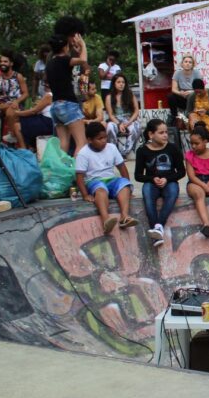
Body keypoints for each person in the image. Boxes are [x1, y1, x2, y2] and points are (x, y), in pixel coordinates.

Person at [75, 121, 139, 235]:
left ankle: (124, 217)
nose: (104, 141)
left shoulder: (112, 148)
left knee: (124, 185)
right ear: (90, 140)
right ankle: (106, 220)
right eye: (100, 139)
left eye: (105, 137)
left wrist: (129, 188)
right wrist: (85, 195)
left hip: (111, 180)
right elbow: (79, 177)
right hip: (94, 182)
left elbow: (122, 168)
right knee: (101, 190)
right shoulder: (83, 153)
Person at [134, 119, 185, 248]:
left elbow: (181, 172)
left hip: (170, 182)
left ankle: (158, 227)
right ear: (151, 135)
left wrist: (167, 179)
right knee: (147, 192)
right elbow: (138, 176)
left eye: (166, 132)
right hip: (152, 183)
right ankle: (156, 228)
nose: (165, 135)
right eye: (161, 132)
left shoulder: (173, 148)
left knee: (173, 192)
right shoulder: (142, 151)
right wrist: (152, 179)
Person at [45, 17, 89, 154]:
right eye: (73, 35)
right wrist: (83, 46)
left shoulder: (53, 59)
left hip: (59, 103)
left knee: (64, 143)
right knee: (81, 143)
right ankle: (78, 172)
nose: (76, 38)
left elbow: (85, 70)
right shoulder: (65, 58)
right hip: (70, 103)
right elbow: (83, 61)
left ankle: (61, 172)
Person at [184, 124, 209, 238]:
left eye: (197, 143)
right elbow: (191, 176)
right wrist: (203, 185)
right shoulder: (189, 155)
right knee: (199, 194)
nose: (193, 146)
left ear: (205, 141)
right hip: (196, 181)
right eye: (191, 143)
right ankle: (206, 223)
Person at [0, 50, 29, 146]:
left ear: (11, 63)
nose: (2, 63)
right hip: (2, 104)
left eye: (5, 61)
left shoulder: (18, 76)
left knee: (10, 113)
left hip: (14, 104)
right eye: (1, 61)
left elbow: (26, 93)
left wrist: (17, 101)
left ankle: (12, 135)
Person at [10, 81, 54, 153]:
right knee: (25, 119)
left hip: (47, 123)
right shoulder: (56, 94)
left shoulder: (49, 95)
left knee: (17, 125)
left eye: (45, 85)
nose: (44, 86)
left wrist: (18, 113)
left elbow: (34, 111)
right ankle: (30, 145)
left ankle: (23, 149)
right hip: (48, 121)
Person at [104, 74, 141, 157]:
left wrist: (128, 122)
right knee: (110, 127)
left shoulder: (130, 95)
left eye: (123, 82)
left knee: (136, 127)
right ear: (114, 84)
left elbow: (136, 111)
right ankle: (115, 152)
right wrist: (119, 124)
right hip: (115, 120)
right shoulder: (109, 97)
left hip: (129, 119)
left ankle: (124, 152)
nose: (121, 84)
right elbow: (110, 115)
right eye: (118, 82)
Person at [169, 54, 202, 126]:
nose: (188, 64)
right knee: (171, 96)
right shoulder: (177, 73)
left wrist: (191, 92)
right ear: (182, 63)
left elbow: (201, 89)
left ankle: (192, 117)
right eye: (186, 61)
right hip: (182, 96)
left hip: (193, 96)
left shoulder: (197, 73)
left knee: (197, 96)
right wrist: (180, 93)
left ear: (192, 64)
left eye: (190, 62)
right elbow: (173, 89)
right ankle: (174, 117)